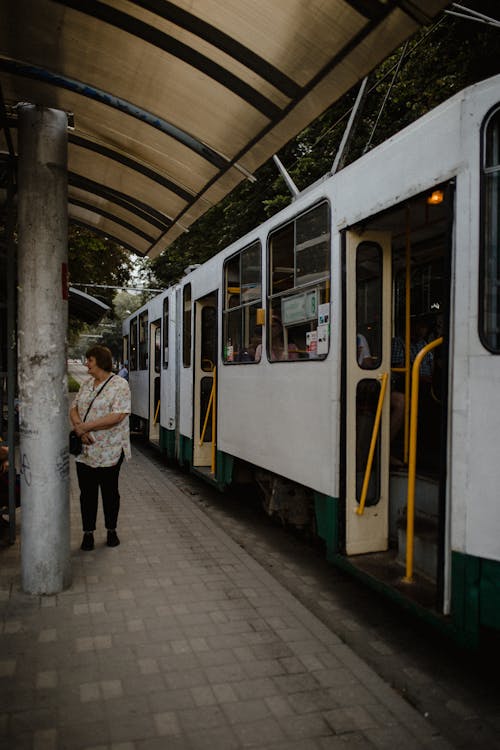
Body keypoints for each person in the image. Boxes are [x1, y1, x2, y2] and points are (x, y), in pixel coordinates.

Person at [70, 345, 131, 551]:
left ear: (100, 362)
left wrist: (84, 427)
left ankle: (111, 530)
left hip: (110, 450)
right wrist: (80, 430)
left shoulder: (120, 385)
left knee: (109, 493)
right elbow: (74, 408)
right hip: (85, 451)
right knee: (86, 494)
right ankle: (88, 534)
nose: (87, 363)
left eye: (90, 360)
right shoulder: (86, 384)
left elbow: (118, 416)